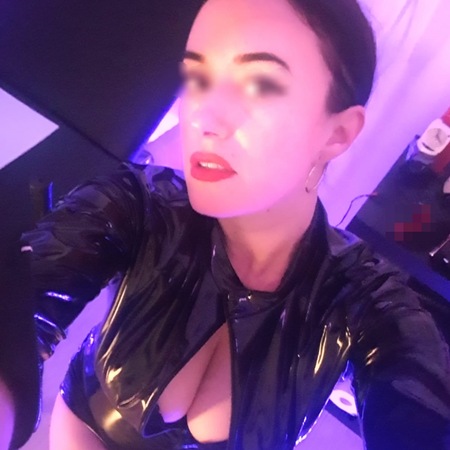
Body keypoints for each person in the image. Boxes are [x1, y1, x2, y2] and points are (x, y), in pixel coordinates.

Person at [22, 0, 450, 449]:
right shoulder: (140, 202)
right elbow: (27, 295)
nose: (202, 117)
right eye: (197, 79)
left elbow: (417, 401)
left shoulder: (363, 294)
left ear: (336, 133)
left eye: (259, 85)